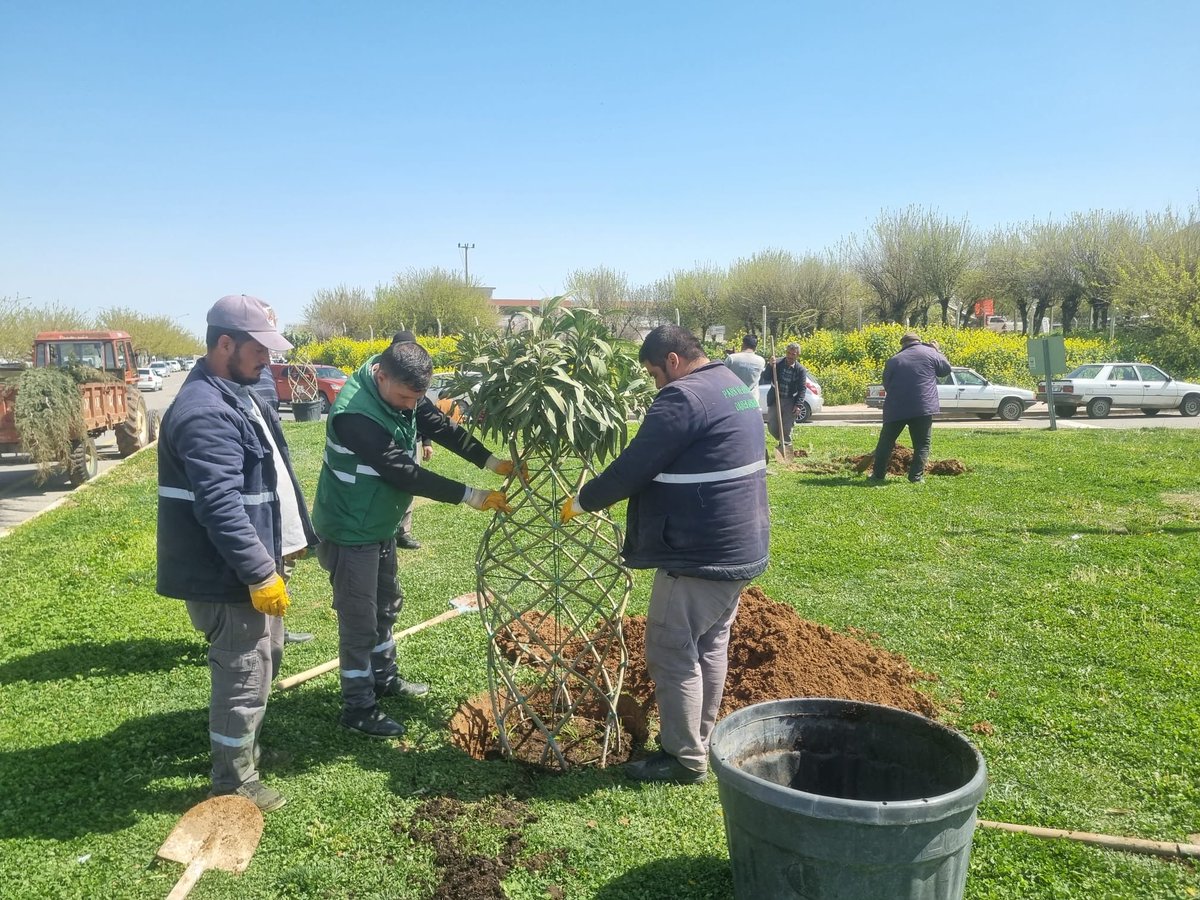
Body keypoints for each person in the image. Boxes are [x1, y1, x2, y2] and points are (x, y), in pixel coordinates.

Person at [560, 325, 769, 784]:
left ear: (672, 361)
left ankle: (683, 758)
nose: (656, 382)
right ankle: (700, 738)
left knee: (671, 651)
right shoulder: (730, 384)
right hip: (739, 543)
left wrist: (581, 502)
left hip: (699, 552)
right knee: (709, 645)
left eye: (654, 373)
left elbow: (633, 467)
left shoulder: (682, 398)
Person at [157, 295, 317, 812]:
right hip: (228, 576)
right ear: (224, 344)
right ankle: (232, 780)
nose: (268, 361)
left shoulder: (237, 391)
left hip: (253, 566)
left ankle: (244, 749)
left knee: (263, 661)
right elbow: (221, 507)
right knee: (243, 674)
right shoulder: (204, 412)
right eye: (259, 351)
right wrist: (257, 571)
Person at [311, 340, 519, 739]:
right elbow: (401, 472)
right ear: (381, 376)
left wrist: (490, 461)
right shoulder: (355, 415)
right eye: (406, 398)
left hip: (380, 522)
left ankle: (384, 678)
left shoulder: (401, 386)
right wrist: (471, 495)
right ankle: (358, 706)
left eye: (417, 397)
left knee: (386, 605)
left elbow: (438, 425)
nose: (411, 406)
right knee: (359, 619)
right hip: (351, 526)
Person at [248, 364, 315, 645]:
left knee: (283, 573)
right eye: (259, 349)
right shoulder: (219, 399)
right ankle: (257, 635)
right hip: (258, 517)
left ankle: (275, 633)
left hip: (276, 504)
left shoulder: (257, 378)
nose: (265, 357)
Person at [869, 331, 952, 484]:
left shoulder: (894, 360)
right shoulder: (931, 353)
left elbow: (886, 383)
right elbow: (945, 370)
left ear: (903, 345)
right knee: (922, 444)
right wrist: (937, 351)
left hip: (896, 407)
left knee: (886, 442)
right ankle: (916, 477)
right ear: (919, 342)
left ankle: (878, 475)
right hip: (923, 407)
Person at [390, 331, 433, 551]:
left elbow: (426, 414)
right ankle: (388, 526)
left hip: (412, 439)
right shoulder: (391, 374)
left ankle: (403, 532)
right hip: (389, 439)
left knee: (410, 485)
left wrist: (427, 442)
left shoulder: (416, 372)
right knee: (394, 481)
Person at [765, 342, 808, 451]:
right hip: (775, 399)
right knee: (772, 427)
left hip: (790, 400)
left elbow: (802, 389)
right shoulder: (777, 363)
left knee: (787, 428)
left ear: (797, 355)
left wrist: (798, 405)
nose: (790, 356)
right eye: (788, 353)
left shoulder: (800, 370)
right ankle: (782, 441)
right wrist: (770, 366)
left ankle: (785, 447)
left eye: (793, 354)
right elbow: (765, 377)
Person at [723, 335, 766, 407]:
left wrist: (734, 355)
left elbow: (722, 376)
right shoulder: (761, 361)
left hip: (734, 402)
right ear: (755, 347)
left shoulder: (732, 358)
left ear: (743, 344)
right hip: (752, 402)